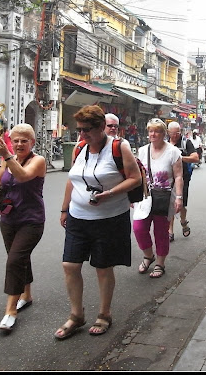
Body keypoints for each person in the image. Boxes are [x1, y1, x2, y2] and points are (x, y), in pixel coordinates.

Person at [55, 105, 141, 339]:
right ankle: (76, 315)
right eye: (79, 130)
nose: (82, 135)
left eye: (87, 130)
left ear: (102, 127)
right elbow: (72, 180)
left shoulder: (118, 147)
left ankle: (104, 313)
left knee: (103, 268)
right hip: (78, 216)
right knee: (70, 265)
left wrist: (109, 193)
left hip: (109, 218)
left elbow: (135, 178)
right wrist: (65, 209)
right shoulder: (80, 147)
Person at [0, 123, 46, 332]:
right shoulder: (7, 159)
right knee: (19, 258)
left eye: (24, 140)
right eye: (16, 140)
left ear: (32, 142)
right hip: (9, 218)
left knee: (14, 260)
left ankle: (10, 311)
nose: (19, 144)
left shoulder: (38, 161)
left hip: (31, 220)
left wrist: (7, 154)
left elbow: (21, 175)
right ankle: (26, 295)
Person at [135, 118, 184, 279]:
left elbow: (178, 176)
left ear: (164, 133)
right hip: (144, 196)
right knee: (139, 228)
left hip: (163, 197)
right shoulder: (142, 151)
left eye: (157, 131)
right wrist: (131, 196)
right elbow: (136, 175)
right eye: (150, 131)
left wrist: (179, 197)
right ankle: (149, 255)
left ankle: (160, 263)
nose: (153, 134)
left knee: (161, 232)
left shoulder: (173, 152)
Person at [167, 121, 199, 242]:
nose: (175, 136)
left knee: (181, 204)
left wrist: (180, 158)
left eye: (177, 133)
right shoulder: (164, 143)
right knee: (170, 204)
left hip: (183, 177)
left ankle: (183, 220)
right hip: (168, 178)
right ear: (168, 132)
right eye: (172, 133)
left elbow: (195, 158)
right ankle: (170, 231)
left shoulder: (186, 142)